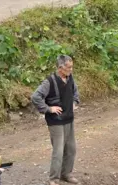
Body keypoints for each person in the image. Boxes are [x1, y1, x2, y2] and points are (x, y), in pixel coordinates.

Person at [31, 55, 80, 185]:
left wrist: (75, 102)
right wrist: (48, 109)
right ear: (60, 68)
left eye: (71, 67)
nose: (71, 70)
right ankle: (54, 179)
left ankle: (66, 174)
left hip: (69, 119)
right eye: (69, 67)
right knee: (58, 151)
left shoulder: (70, 78)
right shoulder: (49, 82)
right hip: (56, 121)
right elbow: (35, 97)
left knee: (71, 148)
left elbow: (75, 92)